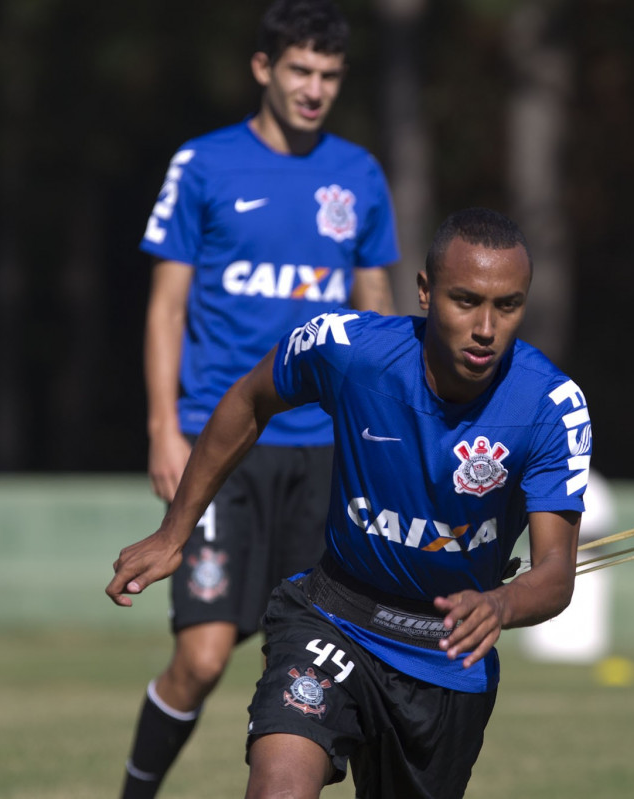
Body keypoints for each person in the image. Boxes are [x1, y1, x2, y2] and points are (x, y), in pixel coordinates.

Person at [109, 207, 592, 798]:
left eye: (508, 305)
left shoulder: (552, 406)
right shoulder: (347, 350)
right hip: (333, 617)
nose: (486, 327)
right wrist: (174, 532)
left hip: (445, 659)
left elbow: (555, 575)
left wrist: (500, 603)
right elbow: (249, 399)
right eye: (465, 301)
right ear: (423, 292)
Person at [121, 1, 400, 796]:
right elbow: (166, 307)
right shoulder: (204, 165)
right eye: (301, 71)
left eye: (330, 76)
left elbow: (375, 313)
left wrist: (386, 439)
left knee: (319, 655)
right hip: (222, 445)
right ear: (263, 69)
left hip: (326, 455)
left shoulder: (358, 175)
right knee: (203, 656)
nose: (315, 89)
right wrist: (161, 429)